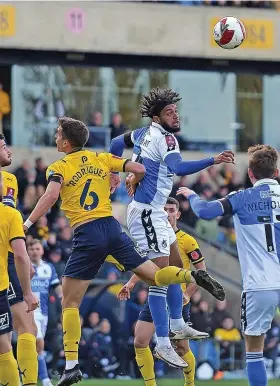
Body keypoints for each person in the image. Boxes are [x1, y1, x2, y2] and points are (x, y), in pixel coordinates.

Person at [23, 117, 225, 384]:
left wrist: (26, 223)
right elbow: (139, 167)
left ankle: (71, 364)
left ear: (66, 141)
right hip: (113, 228)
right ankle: (190, 276)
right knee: (154, 276)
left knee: (69, 302)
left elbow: (50, 196)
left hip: (87, 233)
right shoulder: (101, 158)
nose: (55, 136)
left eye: (58, 133)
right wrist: (125, 178)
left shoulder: (58, 166)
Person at [109, 87, 232, 366]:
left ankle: (177, 323)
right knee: (160, 277)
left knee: (178, 265)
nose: (175, 116)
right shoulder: (166, 139)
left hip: (155, 212)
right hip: (146, 215)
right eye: (169, 112)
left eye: (176, 111)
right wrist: (213, 159)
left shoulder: (142, 133)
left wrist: (115, 173)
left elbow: (117, 142)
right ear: (156, 116)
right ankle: (163, 343)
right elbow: (180, 168)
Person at [178, 144, 280, 386]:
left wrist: (192, 196)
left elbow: (204, 211)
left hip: (261, 285)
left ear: (251, 174)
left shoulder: (241, 198)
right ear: (276, 172)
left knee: (255, 349)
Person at [118, 197, 208, 386]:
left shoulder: (187, 241)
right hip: (156, 294)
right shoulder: (154, 235)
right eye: (164, 209)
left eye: (171, 210)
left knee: (182, 348)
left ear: (178, 213)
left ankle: (189, 384)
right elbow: (148, 264)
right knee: (140, 341)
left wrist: (188, 294)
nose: (167, 213)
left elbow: (201, 271)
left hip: (177, 299)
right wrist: (131, 282)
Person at [0, 133, 39, 386]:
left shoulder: (12, 179)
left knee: (26, 331)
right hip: (8, 263)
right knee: (23, 330)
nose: (9, 151)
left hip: (13, 258)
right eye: (4, 146)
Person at [28, 239, 62, 386]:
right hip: (29, 311)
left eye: (37, 248)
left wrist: (64, 300)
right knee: (39, 343)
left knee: (35, 347)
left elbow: (57, 287)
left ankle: (27, 373)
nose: (34, 251)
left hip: (44, 313)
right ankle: (45, 379)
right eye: (32, 249)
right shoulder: (24, 267)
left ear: (42, 251)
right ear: (28, 251)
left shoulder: (49, 268)